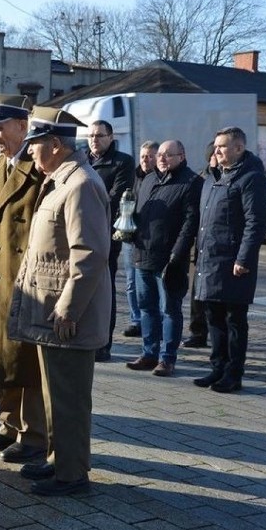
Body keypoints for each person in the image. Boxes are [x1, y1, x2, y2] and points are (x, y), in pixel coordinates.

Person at [7, 106, 111, 497]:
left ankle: (72, 476)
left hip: (68, 316)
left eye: (35, 144)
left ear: (54, 144)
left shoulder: (80, 183)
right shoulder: (62, 180)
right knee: (55, 397)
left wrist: (68, 308)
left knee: (68, 400)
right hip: (51, 312)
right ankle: (58, 461)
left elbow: (89, 253)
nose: (30, 152)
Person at [0, 93, 47, 464]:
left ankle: (34, 433)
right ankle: (8, 424)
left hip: (30, 278)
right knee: (6, 353)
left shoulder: (41, 167)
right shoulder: (0, 166)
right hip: (5, 277)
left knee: (28, 358)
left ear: (23, 126)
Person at [193, 126, 266, 394]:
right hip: (210, 260)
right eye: (216, 146)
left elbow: (255, 223)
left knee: (234, 320)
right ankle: (217, 368)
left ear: (238, 148)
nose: (217, 151)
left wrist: (244, 258)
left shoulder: (251, 178)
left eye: (222, 146)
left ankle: (233, 373)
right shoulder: (214, 177)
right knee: (213, 318)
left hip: (234, 263)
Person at [125, 140, 202, 377]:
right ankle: (149, 354)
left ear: (182, 155)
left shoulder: (191, 182)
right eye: (159, 154)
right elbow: (134, 212)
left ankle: (167, 358)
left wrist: (177, 255)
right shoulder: (148, 179)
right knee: (147, 308)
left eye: (168, 155)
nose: (162, 158)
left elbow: (190, 224)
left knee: (170, 308)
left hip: (169, 260)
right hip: (142, 254)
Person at [86, 120, 134, 362]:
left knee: (104, 290)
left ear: (110, 136)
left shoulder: (122, 162)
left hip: (105, 234)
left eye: (99, 135)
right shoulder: (82, 159)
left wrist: (83, 204)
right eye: (91, 135)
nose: (94, 139)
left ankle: (104, 343)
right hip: (82, 232)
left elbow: (115, 197)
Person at [181, 144, 217, 349]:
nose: (217, 156)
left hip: (215, 247)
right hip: (198, 245)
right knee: (197, 294)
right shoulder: (201, 180)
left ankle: (214, 333)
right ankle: (198, 332)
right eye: (214, 154)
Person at [121, 141, 158, 338]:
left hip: (151, 240)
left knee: (151, 284)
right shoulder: (132, 177)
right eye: (143, 156)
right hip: (131, 237)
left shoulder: (160, 179)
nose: (146, 160)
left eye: (150, 156)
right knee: (131, 282)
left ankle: (153, 320)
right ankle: (136, 320)